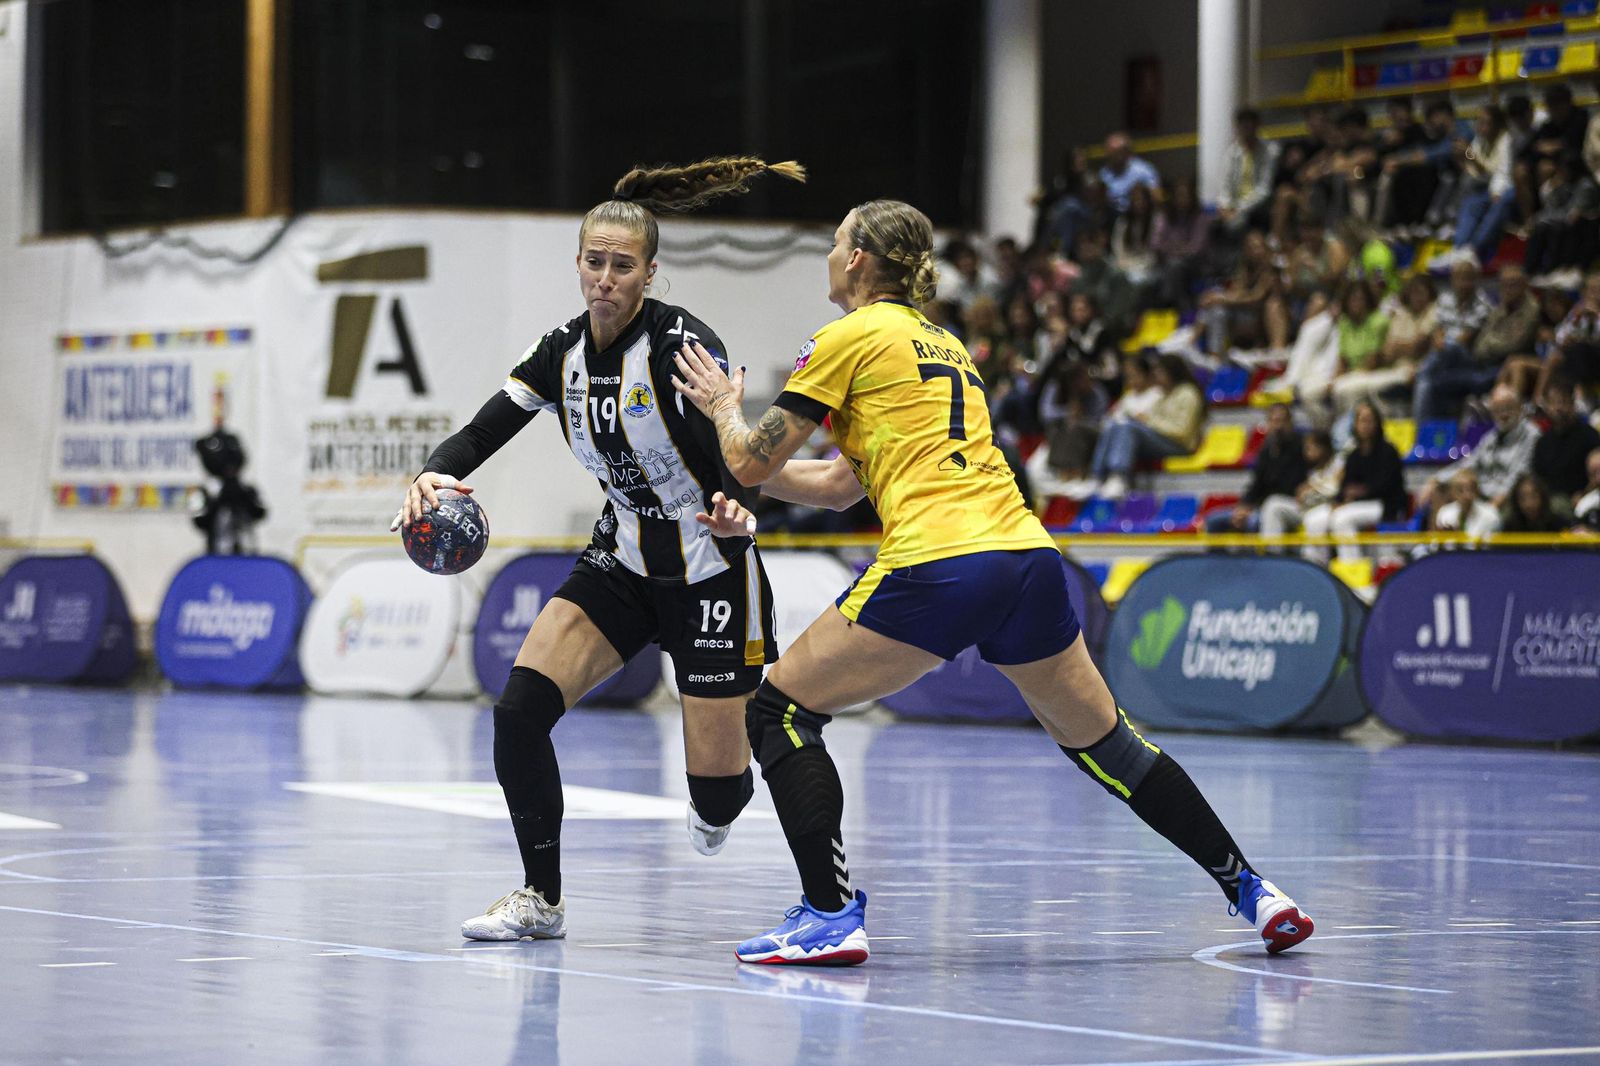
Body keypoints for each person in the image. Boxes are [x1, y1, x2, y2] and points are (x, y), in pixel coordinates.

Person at [671, 197, 1315, 966]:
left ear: (860, 262)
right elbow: (845, 484)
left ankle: (829, 913)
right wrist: (755, 476)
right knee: (1108, 742)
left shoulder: (847, 336)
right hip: (1027, 560)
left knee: (778, 709)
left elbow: (748, 458)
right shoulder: (944, 346)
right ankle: (1255, 891)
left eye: (837, 240)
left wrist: (721, 412)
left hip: (939, 562)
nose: (830, 253)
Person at [391, 156, 805, 942]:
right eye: (594, 263)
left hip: (709, 569)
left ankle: (716, 796)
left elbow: (742, 453)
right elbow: (485, 429)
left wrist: (737, 509)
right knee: (517, 715)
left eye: (623, 266)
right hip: (620, 563)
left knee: (718, 797)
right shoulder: (560, 354)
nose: (605, 279)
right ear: (577, 265)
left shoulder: (685, 347)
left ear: (651, 274)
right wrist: (431, 476)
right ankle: (540, 900)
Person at [1414, 262, 1538, 422]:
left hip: (1500, 366)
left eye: (1513, 284)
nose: (1507, 289)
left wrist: (1488, 346)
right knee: (1434, 382)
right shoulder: (1501, 309)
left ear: (1524, 285)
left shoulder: (1529, 310)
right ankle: (1432, 434)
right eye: (1504, 284)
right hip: (1480, 363)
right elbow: (1483, 341)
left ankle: (1422, 375)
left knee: (1450, 346)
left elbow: (1511, 344)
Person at [1083, 352, 1206, 500]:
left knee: (1127, 427)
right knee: (1115, 425)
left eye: (1159, 373)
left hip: (1180, 445)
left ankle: (1119, 476)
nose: (1156, 377)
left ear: (1172, 372)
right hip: (1163, 440)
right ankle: (1096, 477)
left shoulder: (1188, 393)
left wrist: (1147, 420)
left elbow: (1181, 431)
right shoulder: (1165, 394)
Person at [1302, 400, 1409, 563]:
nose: (1365, 425)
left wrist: (1360, 493)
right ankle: (1318, 567)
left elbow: (1387, 485)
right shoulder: (1354, 454)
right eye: (1361, 420)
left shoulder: (1388, 451)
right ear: (1355, 424)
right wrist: (1338, 501)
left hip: (1383, 504)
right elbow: (1345, 485)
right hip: (1355, 504)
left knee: (1342, 518)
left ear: (1377, 423)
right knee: (1313, 518)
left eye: (1369, 420)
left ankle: (1352, 569)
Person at [1422, 384, 1542, 513]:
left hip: (1511, 499)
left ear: (1520, 408)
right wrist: (1436, 479)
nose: (1504, 414)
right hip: (1481, 495)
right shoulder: (1491, 437)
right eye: (1498, 410)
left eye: (1508, 408)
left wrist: (1492, 508)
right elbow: (1469, 463)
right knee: (1441, 490)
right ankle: (1438, 533)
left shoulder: (1532, 435)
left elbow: (1518, 476)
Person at [1205, 403, 1306, 533]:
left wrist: (1252, 509)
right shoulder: (1266, 450)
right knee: (1213, 520)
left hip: (1285, 505)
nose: (1278, 426)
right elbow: (1256, 484)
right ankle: (1216, 554)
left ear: (1290, 423)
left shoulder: (1300, 449)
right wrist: (1243, 507)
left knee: (1254, 522)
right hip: (1259, 506)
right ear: (1268, 424)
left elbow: (1291, 487)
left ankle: (1259, 553)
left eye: (1282, 421)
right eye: (1274, 421)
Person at [1453, 104, 1515, 266]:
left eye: (1485, 122)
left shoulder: (1506, 140)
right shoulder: (1480, 139)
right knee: (1471, 202)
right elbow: (1473, 163)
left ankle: (1474, 247)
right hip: (1486, 187)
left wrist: (1471, 157)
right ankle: (1459, 248)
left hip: (1506, 188)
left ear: (1496, 125)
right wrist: (1462, 157)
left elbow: (1502, 172)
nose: (1480, 126)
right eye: (1479, 121)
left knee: (1501, 200)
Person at [1259, 429, 1344, 539]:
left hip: (1325, 508)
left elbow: (1334, 488)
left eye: (1310, 447)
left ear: (1323, 447)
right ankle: (1272, 550)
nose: (1306, 452)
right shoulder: (1311, 467)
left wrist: (1311, 487)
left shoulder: (1338, 463)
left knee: (1314, 519)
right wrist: (1305, 490)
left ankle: (1312, 556)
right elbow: (1301, 493)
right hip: (1306, 508)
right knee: (1274, 503)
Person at [1532, 377, 1600, 505]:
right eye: (1553, 402)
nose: (1558, 408)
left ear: (1573, 403)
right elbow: (1538, 479)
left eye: (1563, 401)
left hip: (1584, 498)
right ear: (1546, 406)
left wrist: (1585, 493)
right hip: (1548, 503)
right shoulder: (1542, 443)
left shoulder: (1589, 436)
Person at [1216, 108, 1279, 236]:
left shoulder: (1270, 151)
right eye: (1243, 127)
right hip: (1234, 206)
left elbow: (1264, 190)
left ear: (1257, 126)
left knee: (1238, 224)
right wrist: (1224, 206)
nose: (1246, 131)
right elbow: (1225, 185)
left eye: (1250, 126)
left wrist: (1238, 209)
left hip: (1259, 205)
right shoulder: (1232, 152)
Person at [1098, 131, 1161, 214]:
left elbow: (1157, 197)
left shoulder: (1143, 170)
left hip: (1139, 216)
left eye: (1116, 152)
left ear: (1127, 151)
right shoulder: (1104, 173)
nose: (1112, 156)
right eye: (1110, 152)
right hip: (1112, 217)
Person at [1431, 468, 1501, 539]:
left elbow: (1490, 546)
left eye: (1471, 489)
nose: (1466, 495)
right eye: (1460, 490)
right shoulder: (1445, 512)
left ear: (1477, 491)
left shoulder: (1490, 514)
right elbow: (1436, 543)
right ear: (1453, 492)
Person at [1500, 473, 1567, 533]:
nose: (1528, 504)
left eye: (1533, 497)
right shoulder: (1509, 528)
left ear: (1542, 497)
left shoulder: (1558, 524)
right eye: (1522, 498)